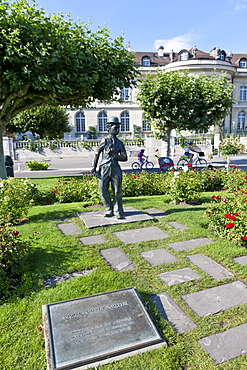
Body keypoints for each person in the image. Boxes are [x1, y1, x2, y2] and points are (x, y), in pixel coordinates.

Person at [91, 116, 127, 219]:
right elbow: (96, 154)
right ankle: (108, 209)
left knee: (117, 191)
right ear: (109, 128)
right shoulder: (105, 141)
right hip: (104, 168)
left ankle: (118, 210)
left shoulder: (120, 143)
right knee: (103, 190)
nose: (118, 130)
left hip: (115, 168)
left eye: (118, 128)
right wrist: (93, 167)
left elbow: (125, 157)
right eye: (115, 128)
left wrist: (115, 156)